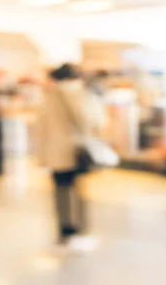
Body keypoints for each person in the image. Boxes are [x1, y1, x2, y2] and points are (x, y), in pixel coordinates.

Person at [38, 63, 96, 253]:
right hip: (75, 151)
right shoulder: (79, 95)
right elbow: (90, 120)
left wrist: (42, 156)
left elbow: (41, 128)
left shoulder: (48, 97)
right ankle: (80, 231)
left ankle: (64, 232)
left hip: (55, 152)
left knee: (60, 191)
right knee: (78, 192)